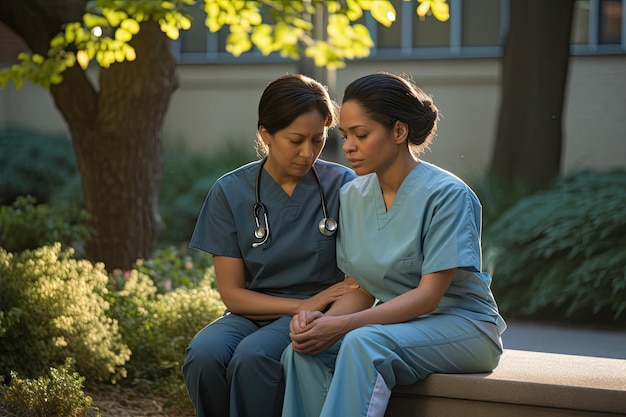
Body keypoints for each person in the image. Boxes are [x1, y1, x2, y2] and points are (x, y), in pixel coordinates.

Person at [281, 72, 507, 417]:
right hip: (397, 326)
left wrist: (343, 325)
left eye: (361, 134)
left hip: (464, 326)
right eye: (344, 136)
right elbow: (359, 288)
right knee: (303, 350)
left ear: (399, 132)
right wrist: (319, 321)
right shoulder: (352, 196)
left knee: (363, 342)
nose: (347, 147)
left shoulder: (448, 195)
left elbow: (429, 296)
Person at [182, 73, 358, 417]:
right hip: (253, 312)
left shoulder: (344, 187)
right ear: (266, 133)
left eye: (317, 139)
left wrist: (313, 305)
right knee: (203, 355)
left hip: (319, 314)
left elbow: (356, 279)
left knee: (254, 357)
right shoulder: (230, 192)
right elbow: (232, 294)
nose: (308, 153)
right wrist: (302, 303)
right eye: (295, 140)